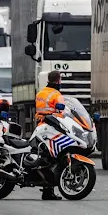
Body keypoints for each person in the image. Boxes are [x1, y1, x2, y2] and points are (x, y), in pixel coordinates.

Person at [35, 70, 65, 200]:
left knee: (44, 156)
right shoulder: (56, 95)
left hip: (41, 126)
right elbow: (61, 112)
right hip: (53, 127)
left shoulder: (40, 93)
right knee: (54, 157)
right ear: (58, 80)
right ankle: (48, 190)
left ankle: (46, 188)